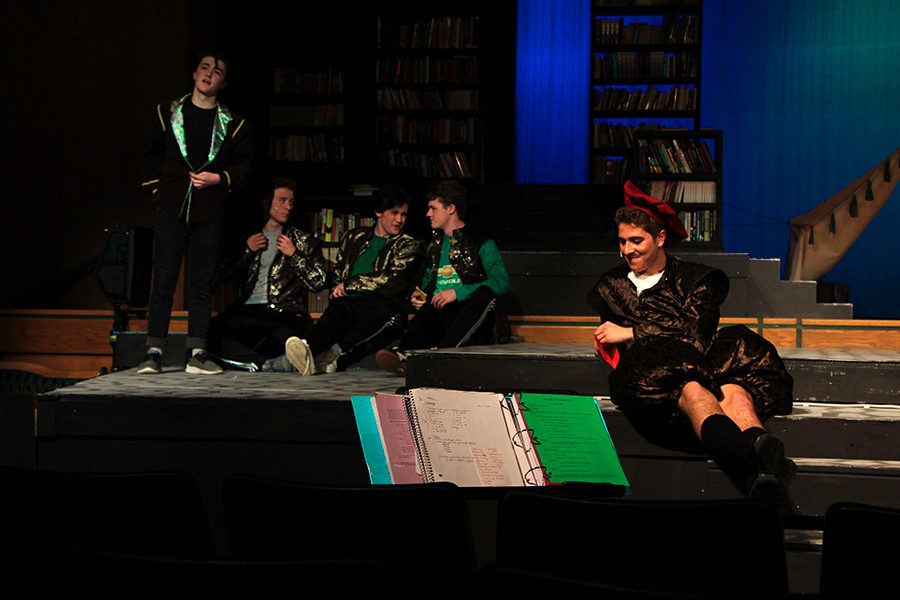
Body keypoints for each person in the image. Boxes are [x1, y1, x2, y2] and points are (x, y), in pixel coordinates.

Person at [588, 181, 796, 506]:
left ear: (659, 238)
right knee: (694, 390)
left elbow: (694, 331)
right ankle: (765, 468)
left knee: (737, 396)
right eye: (622, 241)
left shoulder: (697, 278)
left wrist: (632, 332)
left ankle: (760, 464)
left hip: (707, 358)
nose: (627, 250)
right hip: (657, 382)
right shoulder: (611, 285)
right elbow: (614, 346)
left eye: (636, 240)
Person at [137, 51, 253, 374]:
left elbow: (245, 166)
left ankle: (197, 353)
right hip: (172, 206)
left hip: (209, 209)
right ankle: (154, 351)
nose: (209, 74)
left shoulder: (234, 124)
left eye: (217, 71)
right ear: (194, 73)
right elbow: (151, 155)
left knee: (201, 284)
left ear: (223, 82)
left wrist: (220, 178)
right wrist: (157, 188)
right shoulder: (167, 112)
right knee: (163, 281)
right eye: (204, 67)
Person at [283, 185, 422, 375]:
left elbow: (391, 280)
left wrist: (349, 284)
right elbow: (338, 275)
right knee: (339, 306)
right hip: (349, 301)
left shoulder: (407, 244)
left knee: (378, 311)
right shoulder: (354, 237)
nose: (399, 220)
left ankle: (333, 353)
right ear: (378, 212)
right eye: (394, 213)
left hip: (384, 304)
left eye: (404, 214)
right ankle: (307, 349)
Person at [376, 180, 508, 377]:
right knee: (430, 307)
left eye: (433, 208)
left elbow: (501, 282)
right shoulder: (434, 246)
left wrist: (457, 292)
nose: (428, 214)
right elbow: (429, 282)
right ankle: (404, 354)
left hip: (470, 314)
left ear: (451, 209)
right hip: (442, 314)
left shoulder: (480, 241)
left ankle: (442, 355)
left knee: (485, 294)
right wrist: (419, 295)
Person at [208, 177, 328, 370]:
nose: (287, 207)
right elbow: (222, 276)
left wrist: (294, 255)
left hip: (284, 310)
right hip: (249, 309)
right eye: (282, 200)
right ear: (266, 203)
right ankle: (267, 364)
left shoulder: (302, 241)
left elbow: (319, 282)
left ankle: (273, 361)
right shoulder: (250, 237)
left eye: (291, 202)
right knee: (214, 330)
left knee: (288, 335)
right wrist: (247, 251)